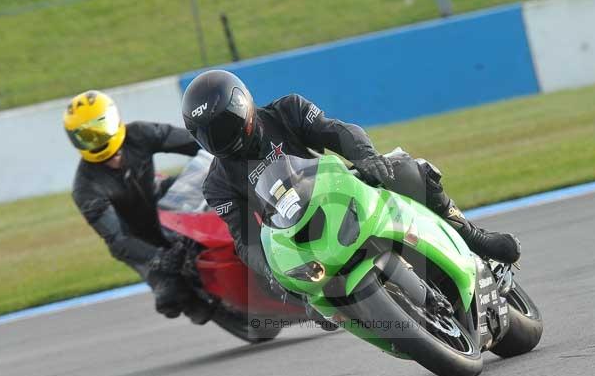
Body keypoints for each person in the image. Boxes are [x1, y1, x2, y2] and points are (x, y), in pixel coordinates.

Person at [181, 70, 520, 293]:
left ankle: (472, 236)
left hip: (342, 192)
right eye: (210, 135)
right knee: (301, 294)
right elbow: (245, 238)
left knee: (408, 168)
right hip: (301, 237)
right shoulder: (217, 185)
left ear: (244, 106)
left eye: (225, 125)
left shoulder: (288, 110)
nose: (222, 138)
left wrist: (366, 156)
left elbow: (338, 132)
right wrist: (269, 270)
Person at [65, 90, 213, 323]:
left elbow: (191, 140)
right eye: (87, 136)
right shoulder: (85, 188)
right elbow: (117, 239)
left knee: (205, 182)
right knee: (172, 299)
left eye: (100, 128)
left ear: (114, 119)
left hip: (164, 201)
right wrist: (158, 258)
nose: (97, 139)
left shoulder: (139, 134)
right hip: (138, 239)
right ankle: (200, 302)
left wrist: (222, 148)